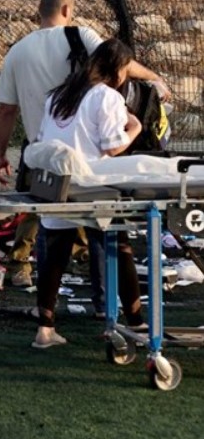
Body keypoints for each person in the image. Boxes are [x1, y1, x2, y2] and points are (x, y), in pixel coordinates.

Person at [0, 0, 169, 288]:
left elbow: (6, 110)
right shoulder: (81, 37)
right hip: (83, 150)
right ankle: (104, 295)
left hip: (41, 147)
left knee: (39, 210)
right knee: (100, 220)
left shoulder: (17, 51)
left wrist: (0, 154)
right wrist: (153, 77)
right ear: (66, 11)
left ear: (39, 11)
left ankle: (24, 269)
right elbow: (117, 61)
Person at [31, 38, 146, 348]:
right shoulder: (107, 97)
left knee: (55, 254)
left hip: (58, 184)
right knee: (118, 247)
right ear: (119, 71)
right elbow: (112, 146)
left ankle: (45, 328)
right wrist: (134, 128)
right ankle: (138, 322)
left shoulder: (59, 94)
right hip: (93, 186)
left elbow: (44, 137)